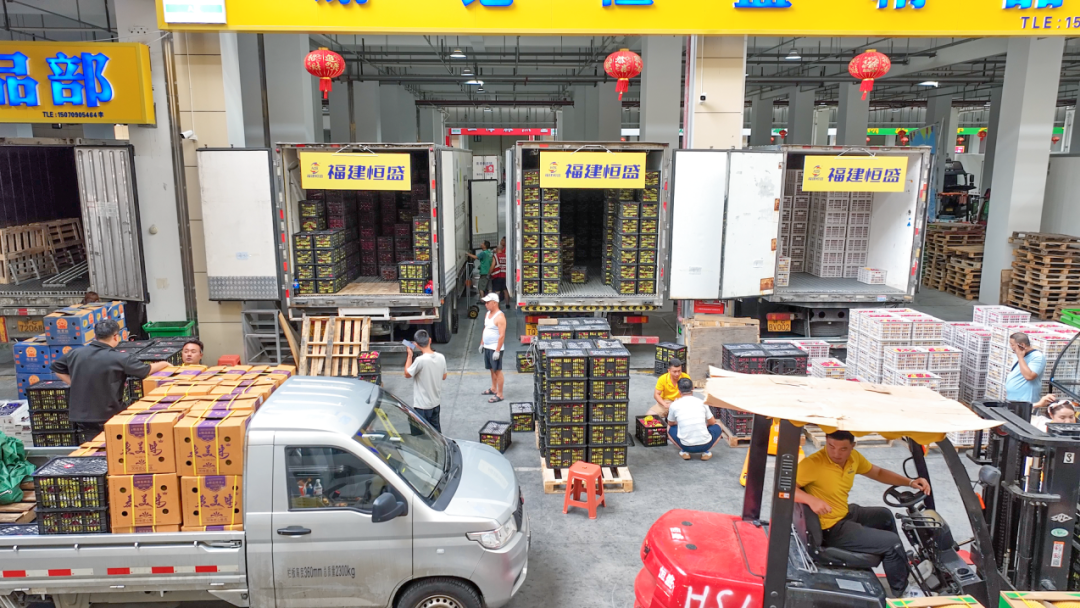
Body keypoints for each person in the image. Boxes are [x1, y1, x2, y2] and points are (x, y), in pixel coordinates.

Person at [796, 431, 932, 598]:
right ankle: (904, 592)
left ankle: (899, 567)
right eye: (831, 446)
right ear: (826, 441)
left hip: (843, 513)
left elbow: (878, 473)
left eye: (843, 449)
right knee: (892, 543)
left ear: (853, 446)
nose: (836, 453)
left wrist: (910, 482)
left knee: (884, 516)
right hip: (830, 528)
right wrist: (811, 500)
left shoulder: (853, 458)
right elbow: (784, 489)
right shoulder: (813, 464)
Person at [50, 319, 170, 441]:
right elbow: (146, 370)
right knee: (113, 444)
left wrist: (74, 383)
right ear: (116, 336)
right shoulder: (120, 358)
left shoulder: (76, 353)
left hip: (82, 416)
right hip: (108, 413)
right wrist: (164, 364)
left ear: (95, 336)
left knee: (93, 445)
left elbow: (57, 368)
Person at [667, 378, 723, 460]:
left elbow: (670, 423)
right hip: (705, 444)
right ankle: (706, 452)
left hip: (685, 445)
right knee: (719, 425)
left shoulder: (674, 405)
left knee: (668, 428)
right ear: (693, 389)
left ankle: (684, 451)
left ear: (679, 391)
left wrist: (679, 423)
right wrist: (706, 425)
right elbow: (712, 422)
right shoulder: (702, 402)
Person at [404, 329, 448, 432]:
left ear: (416, 344)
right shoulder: (441, 357)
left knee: (421, 435)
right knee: (436, 434)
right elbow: (444, 376)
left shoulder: (420, 360)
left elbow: (407, 374)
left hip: (422, 406)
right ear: (430, 340)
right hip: (435, 404)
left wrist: (409, 355)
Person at [478, 293, 506, 403]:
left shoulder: (500, 317)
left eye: (487, 302)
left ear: (494, 303)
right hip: (487, 347)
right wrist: (482, 343)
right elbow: (485, 329)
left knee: (497, 371)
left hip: (495, 348)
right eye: (485, 302)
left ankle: (500, 394)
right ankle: (493, 388)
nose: (485, 304)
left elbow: (502, 335)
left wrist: (497, 350)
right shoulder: (487, 314)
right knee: (491, 369)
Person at [1006, 332, 1046, 404]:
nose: (1011, 347)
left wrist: (1020, 358)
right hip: (1013, 397)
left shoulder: (1037, 357)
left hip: (1026, 399)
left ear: (1022, 345)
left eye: (1012, 344)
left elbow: (1029, 376)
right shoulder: (1018, 354)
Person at [491, 237, 509, 309]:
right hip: (505, 276)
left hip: (497, 276)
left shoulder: (495, 256)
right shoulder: (506, 256)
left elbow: (492, 266)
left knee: (497, 292)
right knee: (505, 290)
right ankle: (507, 304)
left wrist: (489, 274)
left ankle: (497, 306)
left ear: (497, 249)